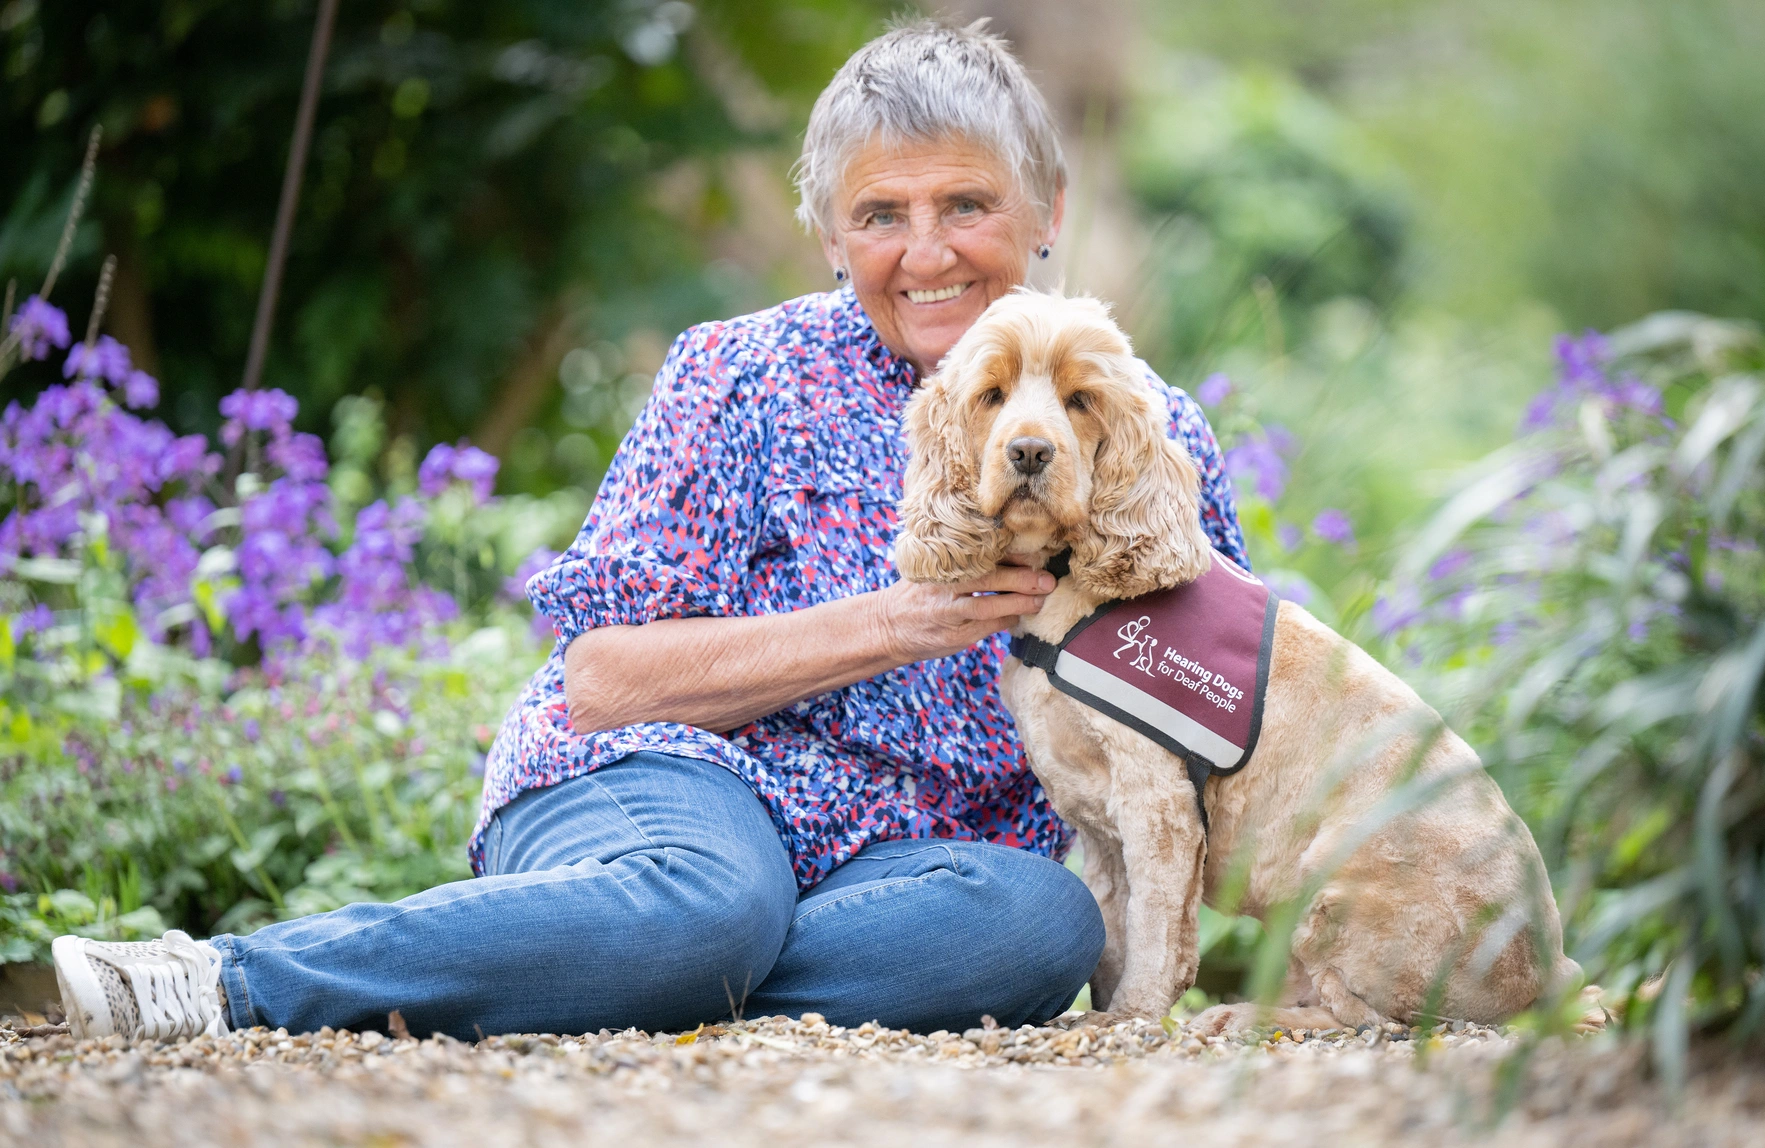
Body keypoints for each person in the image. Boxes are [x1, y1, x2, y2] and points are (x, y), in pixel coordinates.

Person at [51, 18, 1248, 1043]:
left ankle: (623, 962)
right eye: (881, 213)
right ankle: (232, 977)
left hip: (913, 875)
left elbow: (1216, 707)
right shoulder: (739, 375)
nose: (925, 252)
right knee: (712, 898)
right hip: (672, 781)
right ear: (831, 237)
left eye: (967, 206)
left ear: (1047, 210)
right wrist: (893, 622)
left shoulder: (1148, 428)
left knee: (1037, 921)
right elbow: (603, 679)